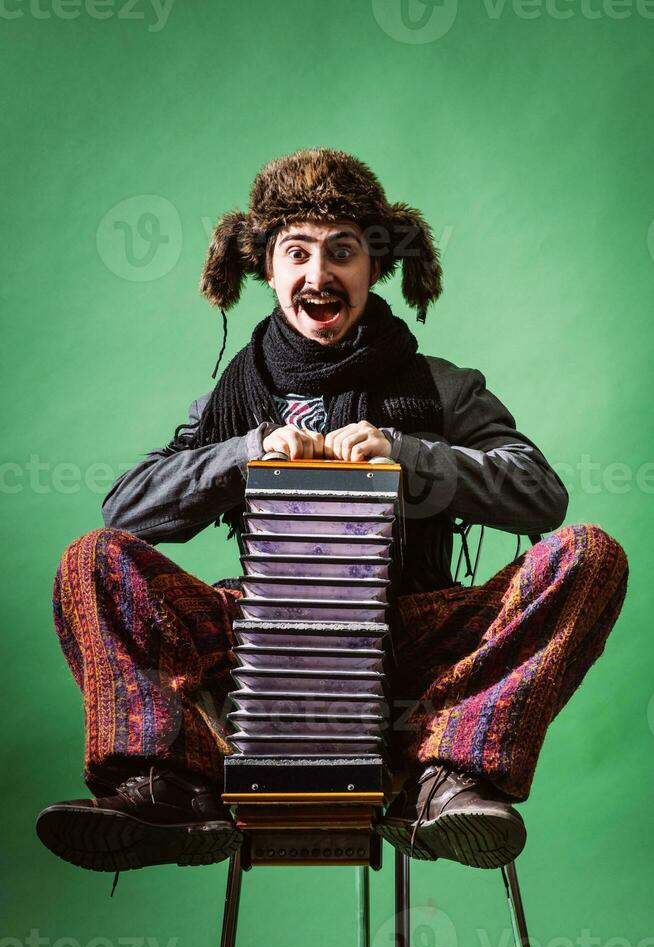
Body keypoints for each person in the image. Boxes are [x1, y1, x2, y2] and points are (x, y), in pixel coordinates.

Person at [36, 148, 628, 876]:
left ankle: (449, 777)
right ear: (266, 269)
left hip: (410, 637)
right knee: (91, 559)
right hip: (259, 639)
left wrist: (409, 454)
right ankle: (166, 791)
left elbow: (540, 492)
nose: (319, 275)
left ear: (374, 267)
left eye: (342, 252)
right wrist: (245, 454)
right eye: (298, 253)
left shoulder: (442, 388)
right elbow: (127, 509)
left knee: (590, 554)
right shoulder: (231, 403)